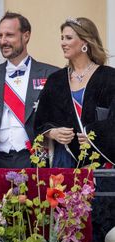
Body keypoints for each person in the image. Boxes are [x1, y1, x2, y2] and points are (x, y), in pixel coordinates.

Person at [34, 17, 115, 167]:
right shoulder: (55, 80)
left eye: (68, 38)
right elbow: (39, 121)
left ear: (85, 41)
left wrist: (94, 134)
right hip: (64, 159)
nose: (63, 43)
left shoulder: (110, 77)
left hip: (101, 161)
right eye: (62, 38)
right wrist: (53, 133)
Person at [0, 12, 58, 168]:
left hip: (34, 159)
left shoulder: (51, 74)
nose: (3, 41)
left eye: (9, 35)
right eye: (0, 35)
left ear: (26, 36)